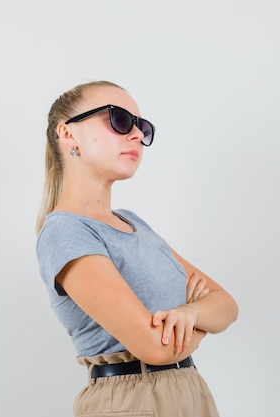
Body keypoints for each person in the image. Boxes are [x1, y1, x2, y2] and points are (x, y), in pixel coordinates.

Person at [35, 80, 239, 416]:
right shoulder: (66, 232)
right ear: (68, 135)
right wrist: (203, 321)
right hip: (131, 400)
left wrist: (188, 314)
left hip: (189, 389)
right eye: (119, 120)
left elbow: (227, 305)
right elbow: (155, 349)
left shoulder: (133, 223)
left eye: (141, 127)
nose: (135, 136)